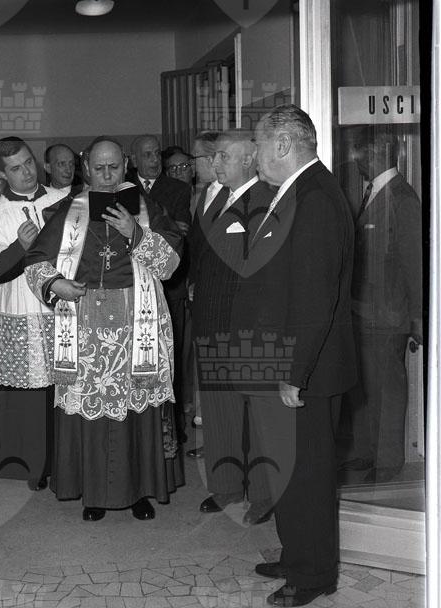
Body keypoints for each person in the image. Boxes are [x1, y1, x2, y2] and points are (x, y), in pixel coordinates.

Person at [25, 136, 184, 521]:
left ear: (126, 165)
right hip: (85, 325)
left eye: (114, 167)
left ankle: (139, 491)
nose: (108, 175)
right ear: (86, 168)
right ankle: (94, 494)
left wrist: (136, 232)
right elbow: (35, 262)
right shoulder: (69, 211)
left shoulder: (146, 208)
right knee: (90, 411)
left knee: (136, 409)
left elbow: (170, 264)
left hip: (137, 323)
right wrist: (55, 284)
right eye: (100, 168)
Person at [241, 105, 356, 606]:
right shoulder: (298, 192)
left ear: (284, 144)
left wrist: (294, 373)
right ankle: (296, 556)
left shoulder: (315, 199)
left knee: (308, 475)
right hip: (289, 360)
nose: (254, 154)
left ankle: (313, 576)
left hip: (307, 370)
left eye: (258, 144)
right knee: (288, 470)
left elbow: (314, 297)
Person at [190, 129, 274, 524]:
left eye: (224, 155)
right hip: (210, 322)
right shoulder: (216, 199)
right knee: (219, 411)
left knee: (255, 417)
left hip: (244, 327)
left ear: (248, 159)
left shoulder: (266, 202)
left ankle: (263, 494)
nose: (215, 162)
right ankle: (225, 487)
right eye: (215, 156)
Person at [0, 137, 64, 489]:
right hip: (20, 311)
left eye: (28, 162)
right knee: (30, 392)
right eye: (15, 168)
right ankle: (35, 465)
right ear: (2, 174)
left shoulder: (60, 201)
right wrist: (20, 246)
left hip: (62, 310)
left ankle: (67, 461)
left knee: (64, 385)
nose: (26, 172)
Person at [340, 127, 423, 483]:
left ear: (374, 152)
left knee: (387, 390)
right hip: (363, 310)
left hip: (388, 313)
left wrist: (418, 316)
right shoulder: (373, 192)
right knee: (363, 387)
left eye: (358, 153)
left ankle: (387, 461)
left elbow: (414, 263)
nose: (355, 160)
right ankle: (365, 452)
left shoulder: (402, 198)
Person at [130, 134, 191, 446]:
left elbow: (180, 233)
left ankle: (173, 428)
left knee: (170, 360)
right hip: (133, 289)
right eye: (147, 155)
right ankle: (141, 428)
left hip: (170, 287)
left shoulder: (178, 189)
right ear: (134, 160)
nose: (154, 160)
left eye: (157, 154)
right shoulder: (123, 189)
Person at [186, 130, 221, 459]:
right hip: (202, 297)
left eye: (195, 157)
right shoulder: (205, 193)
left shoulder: (235, 196)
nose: (191, 164)